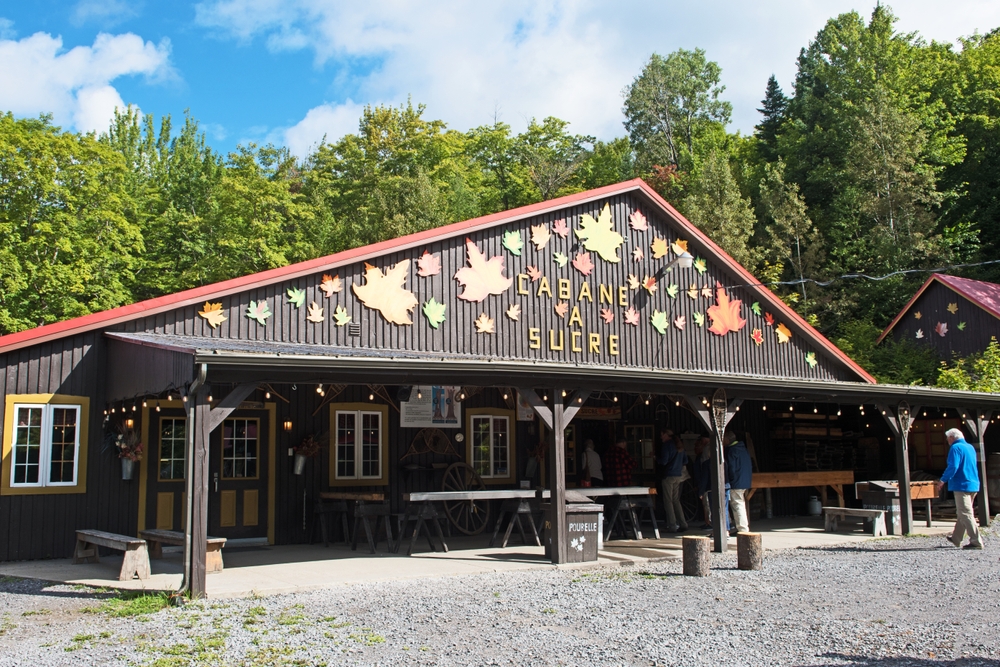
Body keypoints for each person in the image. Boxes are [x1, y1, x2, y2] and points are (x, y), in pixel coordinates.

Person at [935, 428, 984, 549]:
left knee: (965, 513)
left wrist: (942, 480)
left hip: (961, 484)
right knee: (963, 511)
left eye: (947, 438)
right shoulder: (970, 448)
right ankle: (956, 538)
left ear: (952, 437)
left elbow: (953, 466)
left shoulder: (955, 448)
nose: (947, 441)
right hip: (973, 483)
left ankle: (976, 541)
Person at [655, 428, 688, 532]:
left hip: (668, 475)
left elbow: (664, 461)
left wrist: (655, 458)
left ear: (666, 435)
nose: (661, 437)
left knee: (668, 501)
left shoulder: (667, 445)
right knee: (676, 500)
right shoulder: (679, 445)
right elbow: (685, 460)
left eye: (662, 434)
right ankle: (683, 523)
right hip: (678, 475)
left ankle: (672, 524)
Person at [724, 430, 752, 535]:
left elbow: (731, 468)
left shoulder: (731, 451)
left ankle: (743, 529)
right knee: (740, 503)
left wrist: (729, 481)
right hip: (744, 480)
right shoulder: (743, 449)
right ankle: (741, 527)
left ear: (727, 439)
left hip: (736, 481)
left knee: (737, 504)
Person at [691, 436, 713, 528]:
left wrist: (701, 486)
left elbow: (703, 472)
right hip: (704, 481)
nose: (695, 448)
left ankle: (710, 522)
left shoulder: (705, 456)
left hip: (707, 482)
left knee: (707, 504)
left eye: (697, 445)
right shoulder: (699, 458)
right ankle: (709, 521)